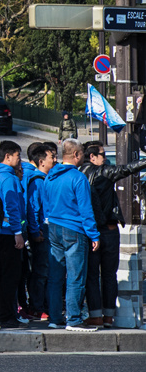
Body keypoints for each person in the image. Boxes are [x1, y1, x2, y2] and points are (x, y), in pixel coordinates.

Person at [80, 140, 146, 327]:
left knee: (92, 275)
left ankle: (95, 315)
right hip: (108, 230)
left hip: (89, 230)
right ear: (92, 157)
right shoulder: (103, 172)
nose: (106, 160)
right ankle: (108, 316)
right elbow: (127, 169)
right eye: (102, 155)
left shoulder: (79, 174)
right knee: (109, 275)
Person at [42, 138, 100, 332]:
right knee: (76, 276)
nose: (83, 158)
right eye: (82, 154)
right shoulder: (78, 178)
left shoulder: (50, 176)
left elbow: (46, 203)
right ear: (75, 155)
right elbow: (86, 209)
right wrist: (94, 234)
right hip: (74, 230)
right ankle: (74, 318)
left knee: (56, 275)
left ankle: (55, 317)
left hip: (54, 227)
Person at [0, 140, 27, 329]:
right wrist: (17, 232)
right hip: (9, 232)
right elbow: (12, 206)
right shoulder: (9, 178)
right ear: (8, 156)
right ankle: (7, 316)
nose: (20, 160)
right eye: (18, 156)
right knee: (10, 276)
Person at [22, 141, 54, 323]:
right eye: (52, 157)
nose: (54, 160)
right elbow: (33, 209)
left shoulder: (44, 179)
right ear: (41, 161)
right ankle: (36, 307)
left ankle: (44, 305)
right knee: (41, 271)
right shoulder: (37, 181)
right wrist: (35, 232)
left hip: (46, 229)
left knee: (46, 270)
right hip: (42, 231)